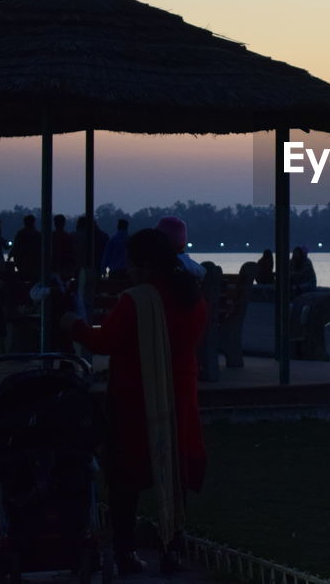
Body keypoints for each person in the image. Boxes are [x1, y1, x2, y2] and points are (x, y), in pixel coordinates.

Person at [62, 229, 207, 575]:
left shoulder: (136, 300)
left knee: (127, 477)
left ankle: (126, 551)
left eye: (130, 261)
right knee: (173, 470)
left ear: (144, 264)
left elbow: (105, 340)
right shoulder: (192, 297)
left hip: (135, 396)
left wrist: (73, 326)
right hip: (178, 394)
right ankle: (172, 548)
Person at [8, 214, 41, 281]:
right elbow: (15, 247)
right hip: (24, 264)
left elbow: (15, 247)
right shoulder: (21, 234)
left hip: (32, 264)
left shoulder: (37, 235)